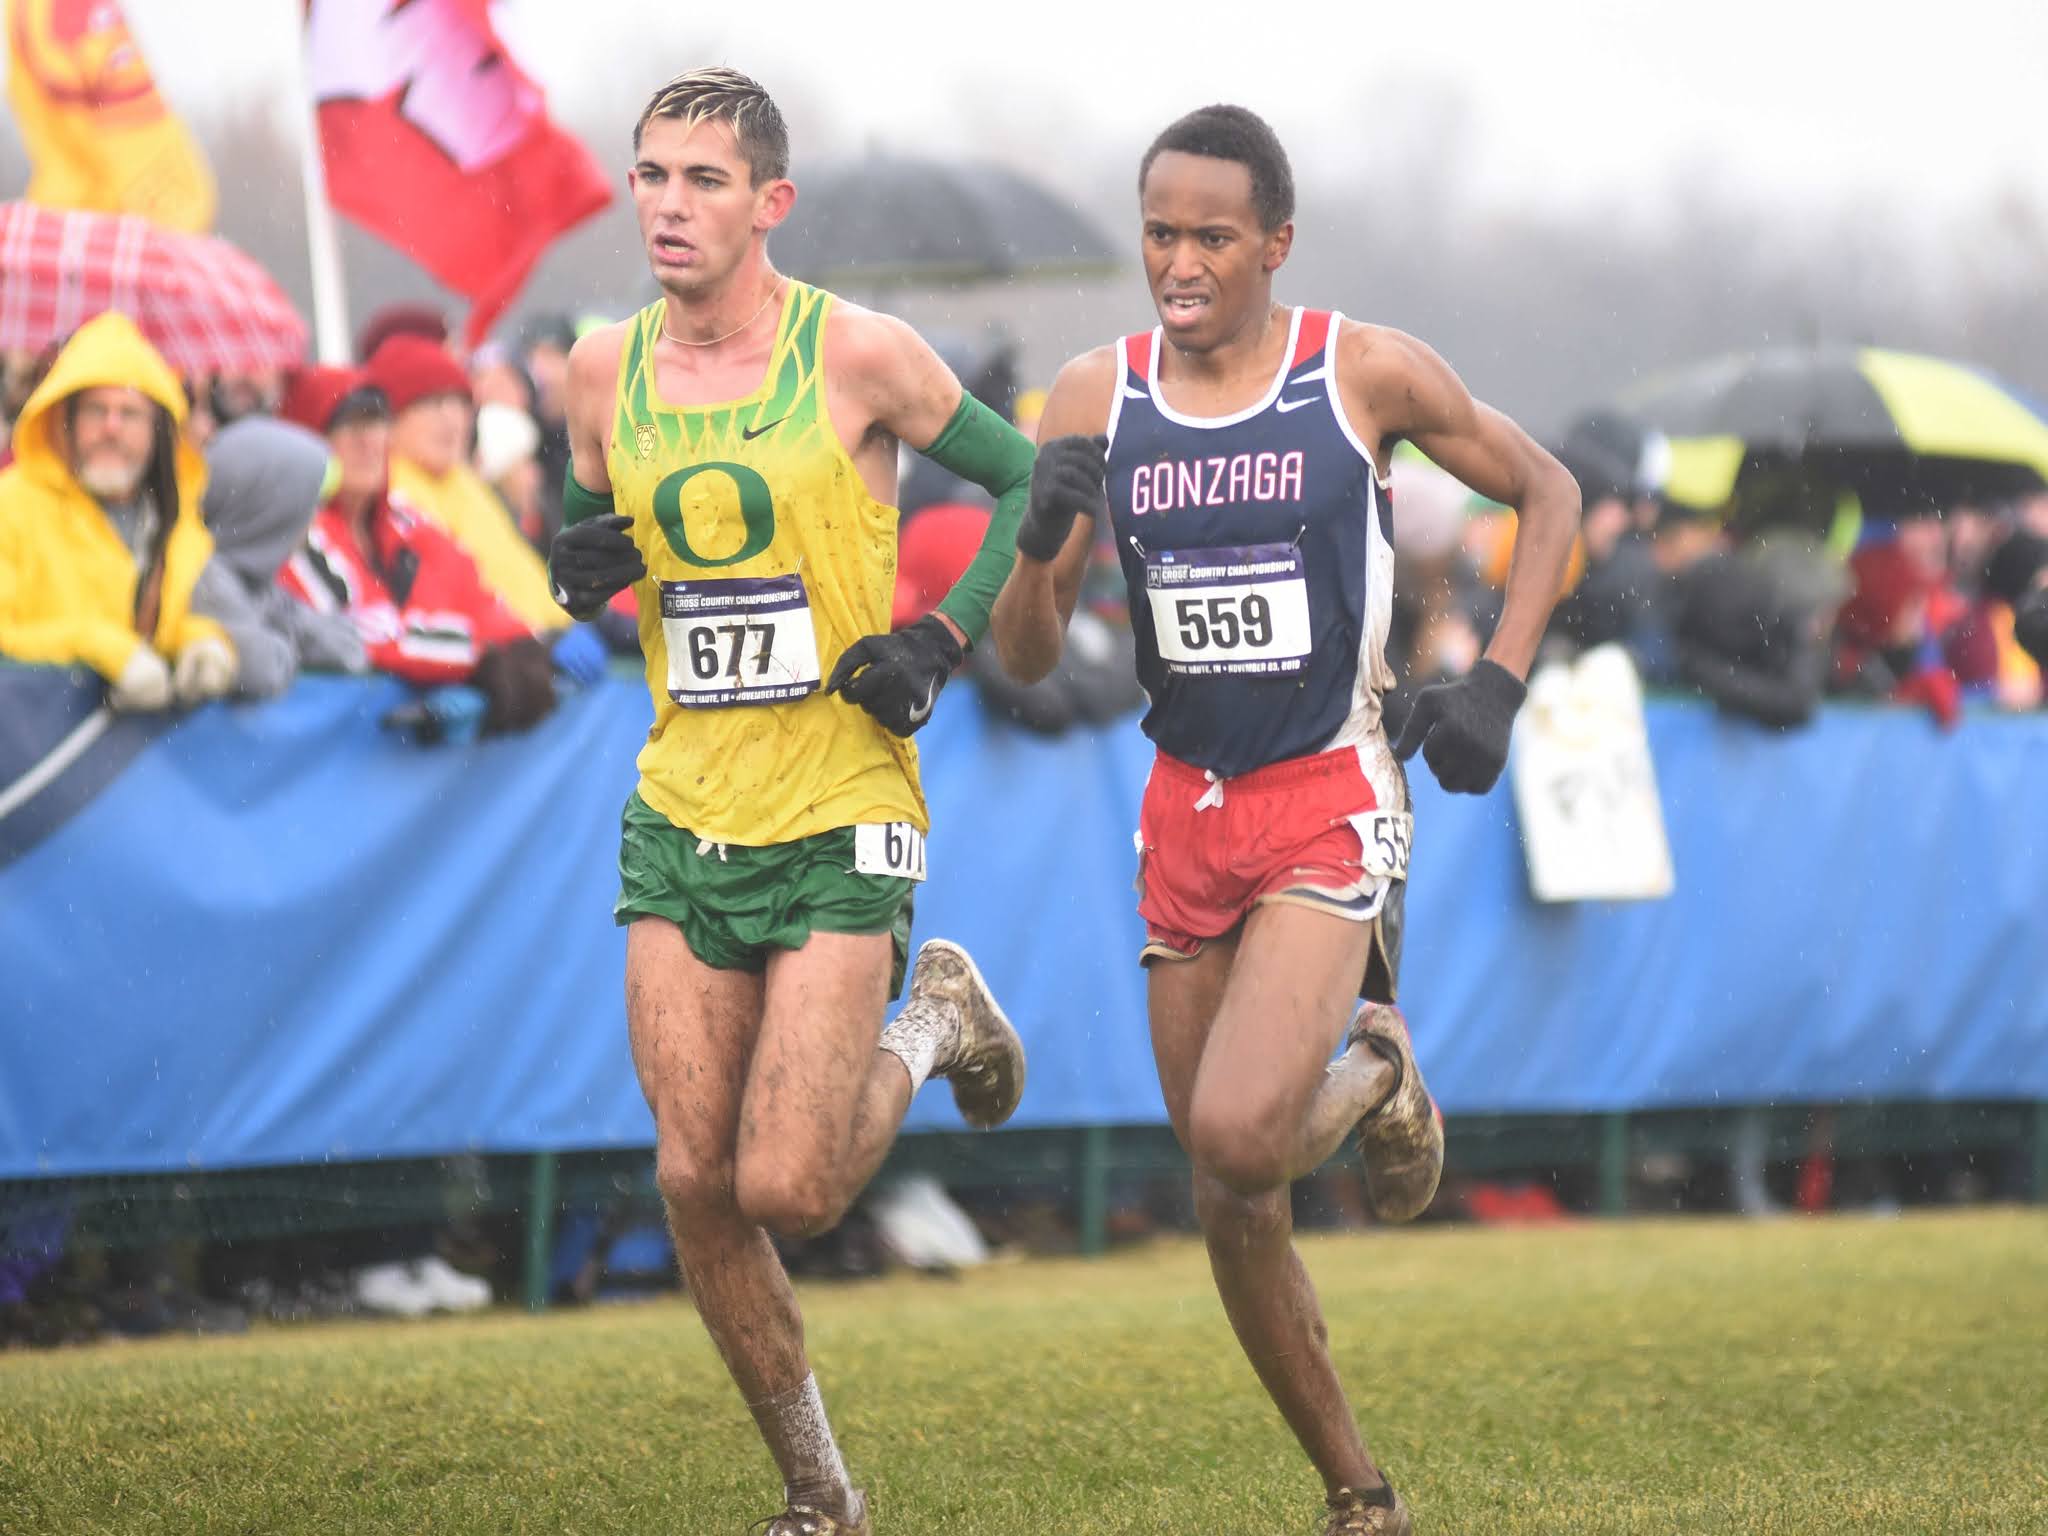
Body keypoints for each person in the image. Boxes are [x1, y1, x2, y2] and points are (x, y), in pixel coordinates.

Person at [990, 105, 1579, 1536]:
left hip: (1331, 790)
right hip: (1182, 805)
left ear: (1274, 243)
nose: (1178, 263)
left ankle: (1376, 1061)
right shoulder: (1094, 394)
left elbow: (1551, 492)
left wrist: (1496, 684)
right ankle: (1356, 1491)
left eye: (1210, 236)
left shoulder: (1356, 371)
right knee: (1224, 1185)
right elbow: (1022, 651)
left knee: (1249, 1137)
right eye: (1158, 233)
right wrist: (1038, 542)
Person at [542, 68, 1037, 1536]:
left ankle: (934, 1019)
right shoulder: (597, 371)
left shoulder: (860, 354)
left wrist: (941, 639)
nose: (668, 206)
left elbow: (1023, 481)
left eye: (702, 180)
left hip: (839, 796)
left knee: (791, 1186)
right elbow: (609, 550)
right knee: (696, 1177)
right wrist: (587, 570)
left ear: (772, 202)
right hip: (683, 806)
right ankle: (820, 1493)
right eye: (648, 176)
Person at [276, 365, 555, 733]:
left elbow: (480, 599)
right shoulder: (297, 533)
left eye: (376, 423)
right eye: (346, 425)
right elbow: (368, 634)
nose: (367, 440)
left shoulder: (405, 522)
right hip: (346, 758)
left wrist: (527, 643)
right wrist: (484, 655)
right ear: (310, 439)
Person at [0, 312, 238, 710]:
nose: (111, 428)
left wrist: (200, 641)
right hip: (26, 743)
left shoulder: (175, 519)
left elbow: (160, 620)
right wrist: (98, 647)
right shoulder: (12, 504)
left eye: (129, 414)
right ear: (66, 420)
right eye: (96, 410)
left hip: (127, 759)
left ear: (157, 428)